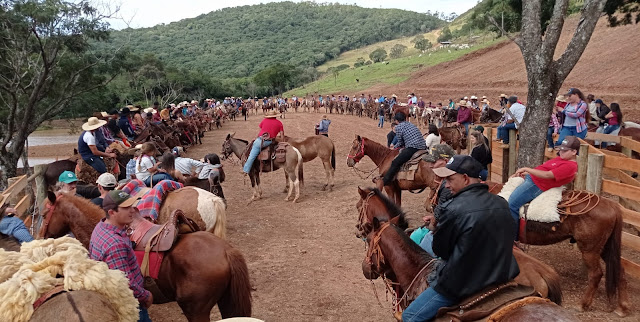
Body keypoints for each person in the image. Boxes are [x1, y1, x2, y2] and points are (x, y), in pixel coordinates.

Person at [403, 155, 519, 321]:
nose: (447, 185)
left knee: (410, 316)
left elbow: (440, 250)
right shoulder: (501, 203)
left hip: (462, 283)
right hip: (502, 275)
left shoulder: (453, 209)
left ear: (465, 178)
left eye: (450, 179)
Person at [90, 190, 153, 321]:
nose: (132, 210)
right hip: (128, 303)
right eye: (126, 208)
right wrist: (145, 296)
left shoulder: (100, 226)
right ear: (112, 213)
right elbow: (125, 283)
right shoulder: (115, 244)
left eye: (131, 205)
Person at [508, 136, 579, 240]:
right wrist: (527, 173)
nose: (561, 152)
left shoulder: (570, 166)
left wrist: (527, 169)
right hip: (533, 179)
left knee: (511, 204)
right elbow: (544, 169)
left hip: (536, 184)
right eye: (560, 149)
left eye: (565, 150)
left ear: (574, 152)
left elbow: (547, 175)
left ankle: (512, 239)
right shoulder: (562, 158)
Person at [380, 112, 427, 186]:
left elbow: (400, 142)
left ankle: (386, 181)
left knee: (396, 162)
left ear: (396, 121)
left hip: (413, 147)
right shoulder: (411, 124)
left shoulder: (398, 127)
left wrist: (394, 147)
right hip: (423, 146)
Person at [243, 110, 284, 175]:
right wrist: (282, 142)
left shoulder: (264, 121)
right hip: (270, 141)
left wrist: (257, 138)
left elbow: (260, 131)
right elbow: (282, 136)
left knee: (252, 155)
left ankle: (246, 170)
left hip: (260, 140)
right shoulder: (279, 123)